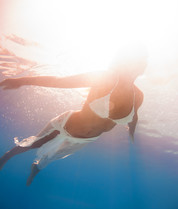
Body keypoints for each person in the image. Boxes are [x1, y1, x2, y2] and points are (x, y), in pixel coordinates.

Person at [0, 47, 147, 186]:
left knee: (51, 158)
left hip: (85, 139)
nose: (134, 66)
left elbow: (134, 118)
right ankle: (6, 156)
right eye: (131, 60)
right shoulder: (106, 78)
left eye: (139, 62)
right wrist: (20, 81)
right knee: (34, 144)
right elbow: (59, 81)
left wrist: (131, 132)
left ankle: (35, 169)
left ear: (142, 67)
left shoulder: (138, 96)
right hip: (65, 124)